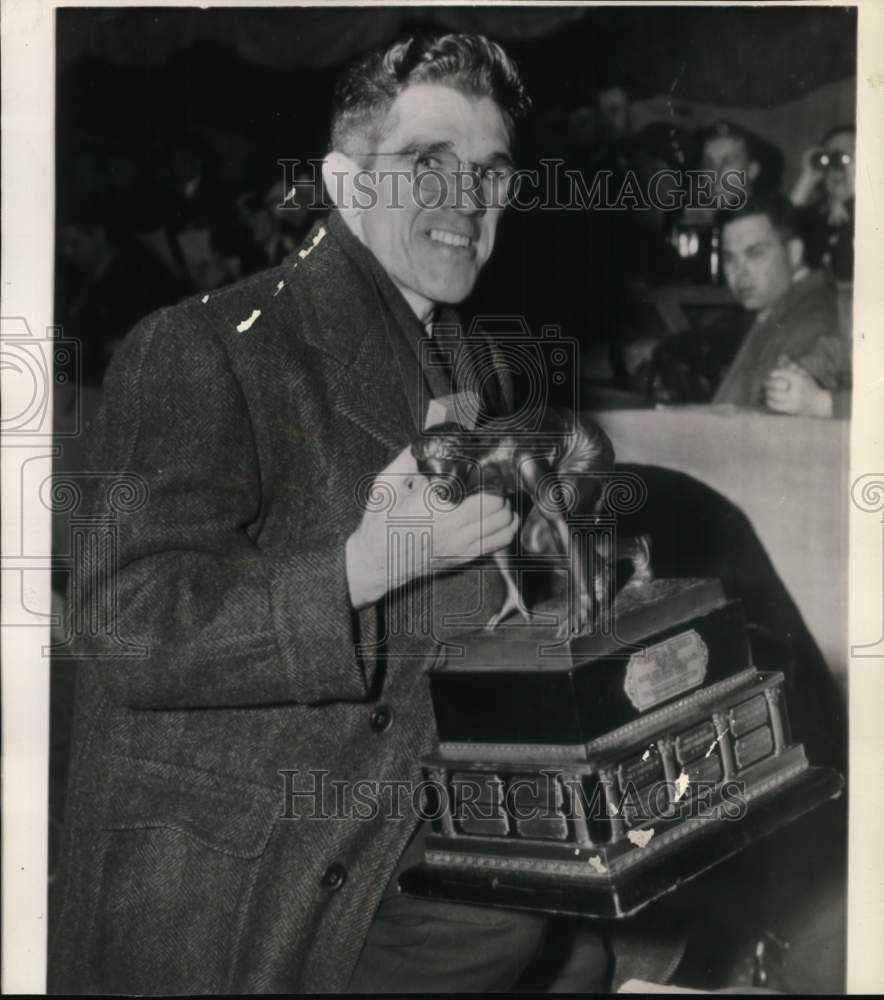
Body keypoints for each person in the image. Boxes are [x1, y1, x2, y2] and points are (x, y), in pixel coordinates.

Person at [49, 34, 559, 995]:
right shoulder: (204, 347)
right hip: (246, 867)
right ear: (345, 182)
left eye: (491, 175)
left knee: (587, 921)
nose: (468, 204)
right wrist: (364, 567)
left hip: (394, 807)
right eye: (428, 167)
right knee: (515, 932)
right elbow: (122, 627)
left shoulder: (470, 361)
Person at [712, 193, 850, 417]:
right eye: (729, 258)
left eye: (754, 254)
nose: (739, 273)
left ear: (794, 252)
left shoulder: (814, 319)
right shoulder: (780, 308)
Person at [789, 125, 855, 281]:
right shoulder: (814, 216)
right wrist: (806, 180)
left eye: (846, 156)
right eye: (831, 158)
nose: (836, 167)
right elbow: (776, 231)